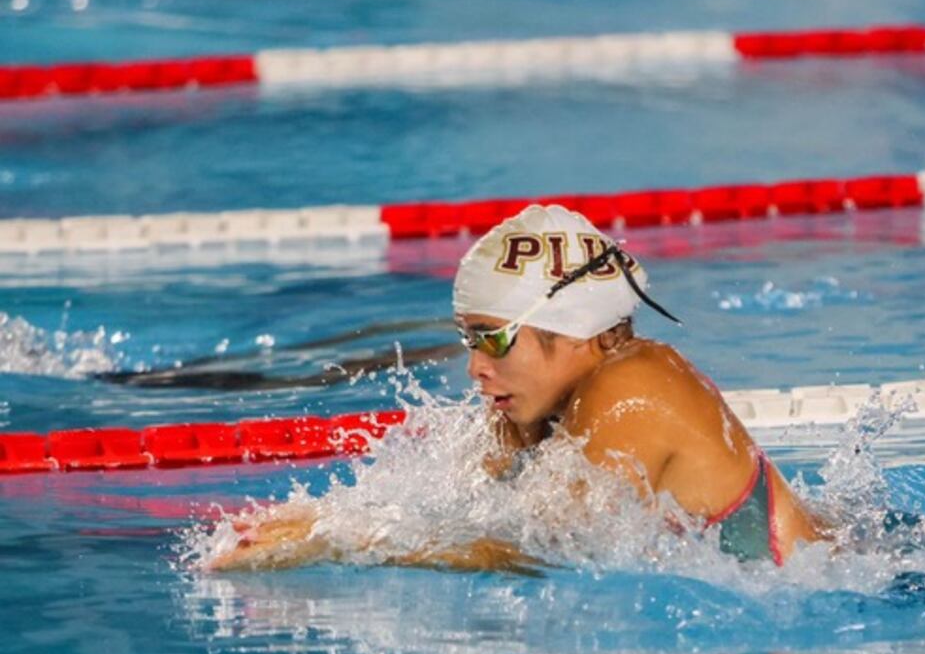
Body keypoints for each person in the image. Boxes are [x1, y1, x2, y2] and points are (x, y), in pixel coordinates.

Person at [209, 204, 827, 572]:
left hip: (845, 593)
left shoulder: (637, 386)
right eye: (468, 339)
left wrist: (340, 542)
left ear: (575, 328)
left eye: (494, 338)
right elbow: (465, 513)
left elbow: (548, 550)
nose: (475, 366)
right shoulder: (541, 406)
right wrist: (318, 518)